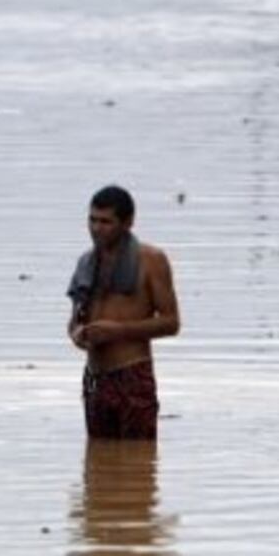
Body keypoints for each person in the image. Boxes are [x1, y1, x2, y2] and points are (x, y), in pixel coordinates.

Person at [67, 185, 181, 439]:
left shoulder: (151, 260)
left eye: (106, 222)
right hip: (94, 378)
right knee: (98, 459)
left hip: (132, 375)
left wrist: (119, 331)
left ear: (128, 223)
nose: (96, 228)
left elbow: (171, 322)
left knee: (139, 457)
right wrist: (78, 334)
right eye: (92, 220)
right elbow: (74, 320)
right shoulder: (86, 263)